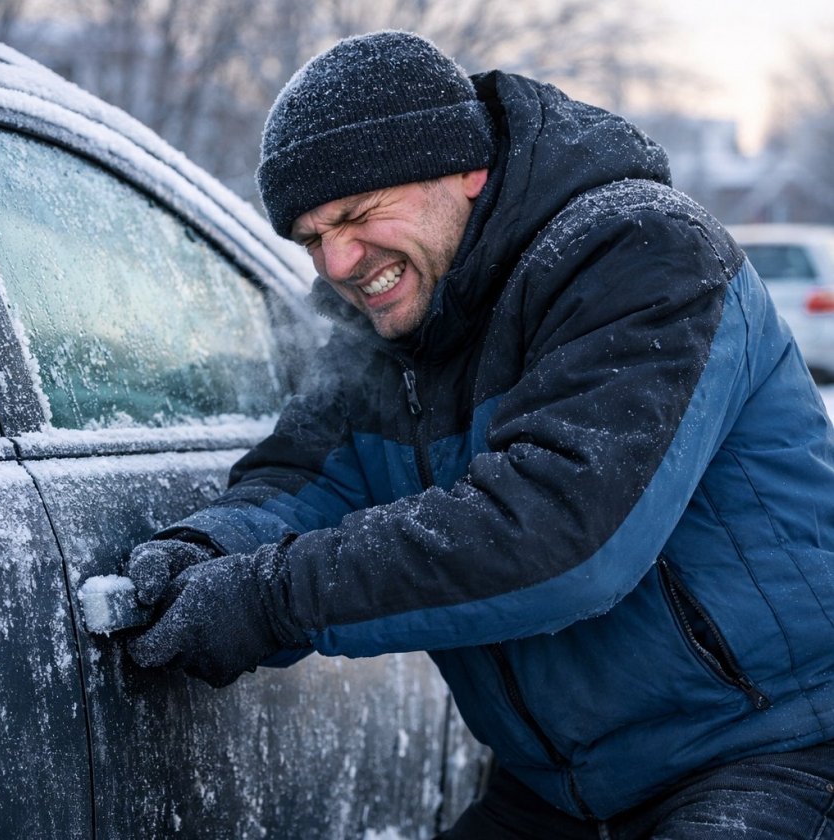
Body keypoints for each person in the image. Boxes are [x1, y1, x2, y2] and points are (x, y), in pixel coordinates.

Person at [120, 30, 834, 836]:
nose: (337, 262)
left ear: (467, 168)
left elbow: (563, 538)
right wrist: (212, 549)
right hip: (562, 790)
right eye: (312, 238)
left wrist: (271, 598)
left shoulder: (642, 255)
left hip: (774, 754)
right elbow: (302, 478)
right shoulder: (383, 335)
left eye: (355, 216)